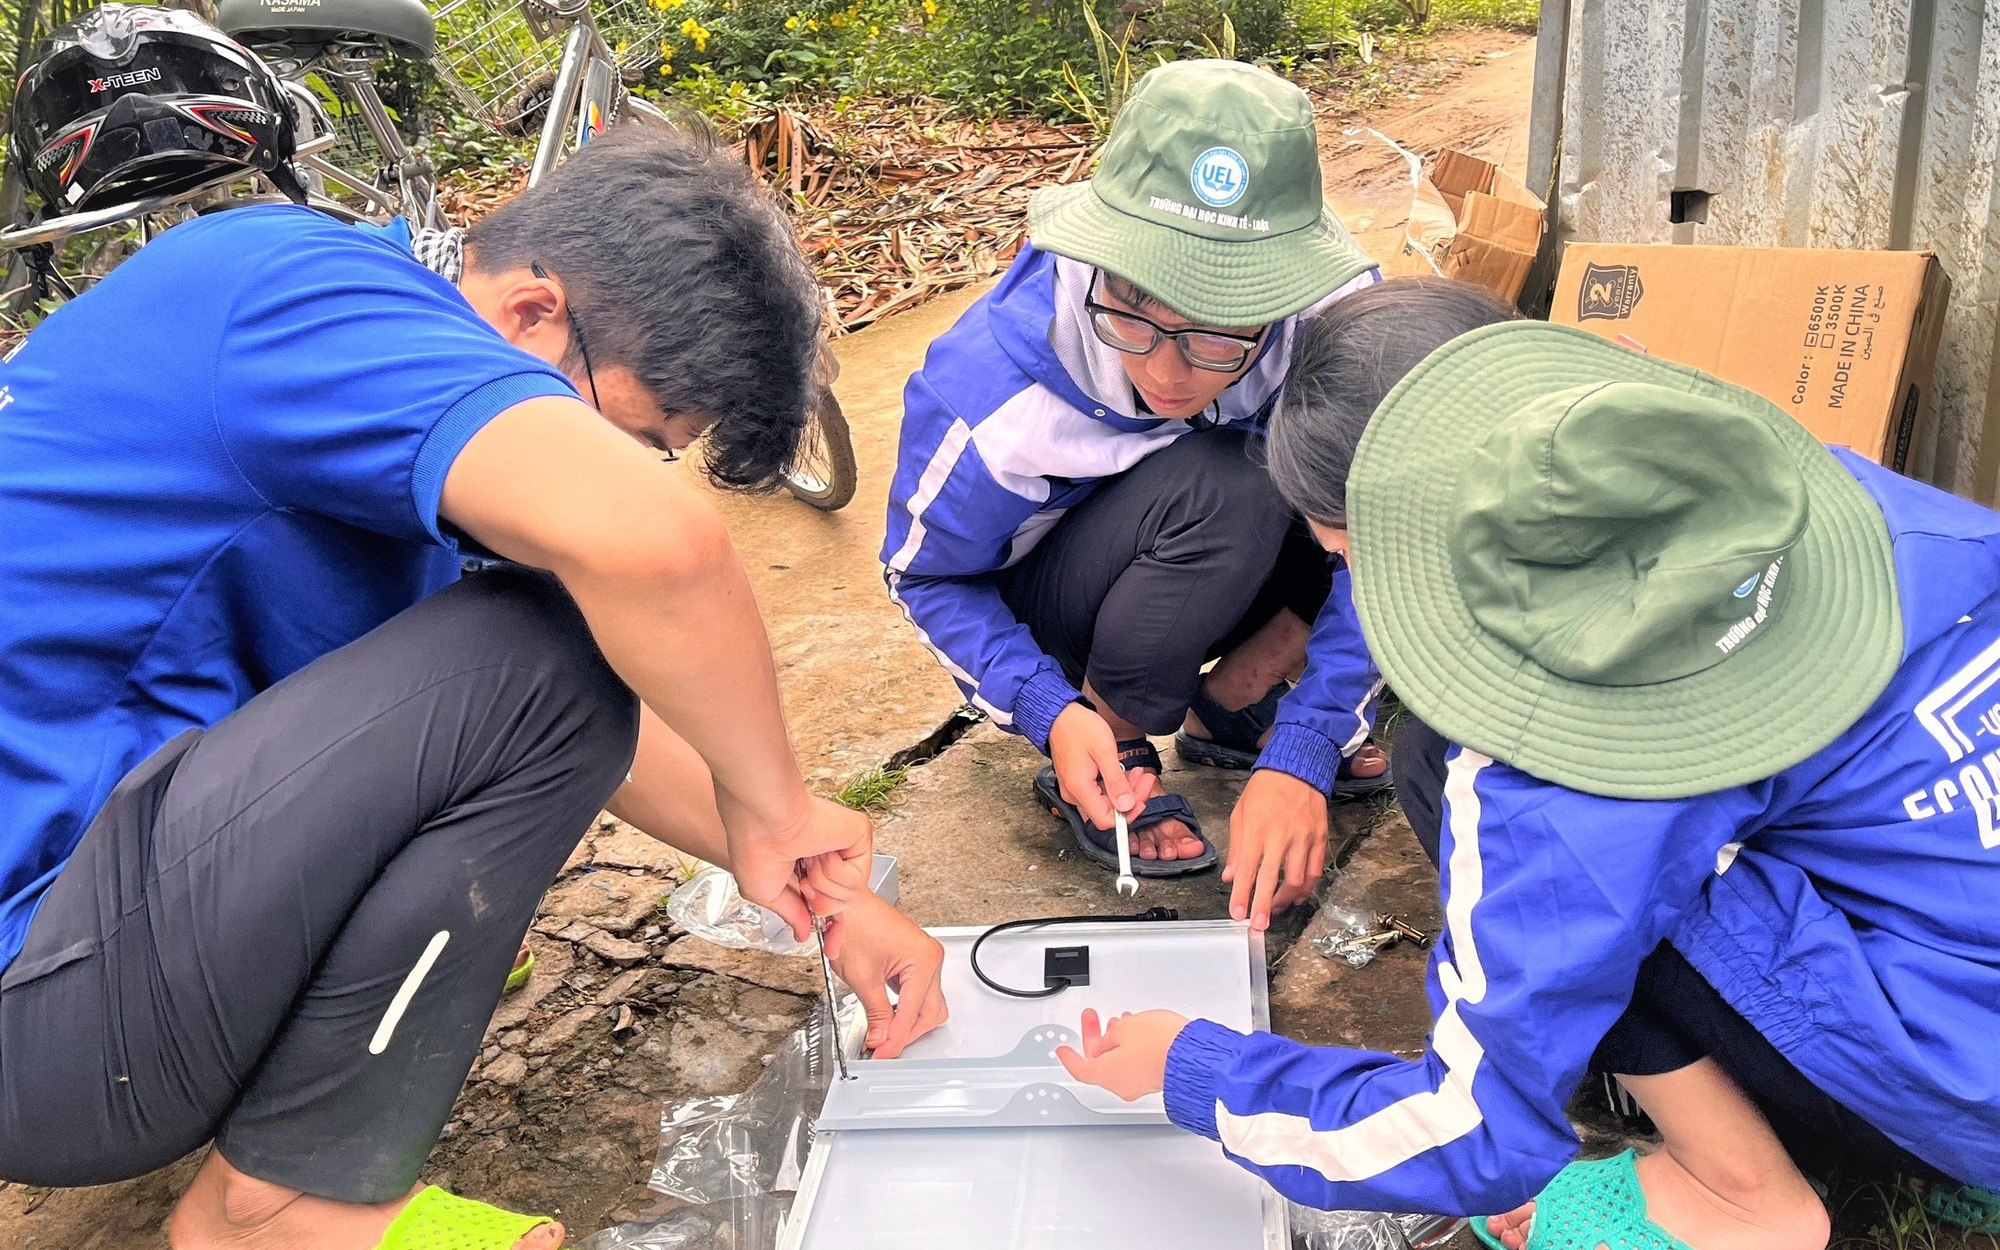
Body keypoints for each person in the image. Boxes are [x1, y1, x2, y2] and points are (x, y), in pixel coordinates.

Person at [0, 128, 948, 1250]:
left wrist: (829, 899)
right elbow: (650, 555)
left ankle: (286, 1176)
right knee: (561, 632)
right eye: (637, 437)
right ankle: (287, 1203)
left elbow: (568, 732)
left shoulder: (392, 439)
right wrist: (774, 798)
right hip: (45, 1016)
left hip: (85, 1017)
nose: (624, 467)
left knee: (555, 647)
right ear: (532, 314)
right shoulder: (288, 281)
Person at [1055, 277, 2000, 1249]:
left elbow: (1474, 1132)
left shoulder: (1547, 766)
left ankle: (1742, 1195)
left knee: (1459, 789)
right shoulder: (1823, 491)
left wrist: (1199, 1069)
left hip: (1969, 1086)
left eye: (1345, 560)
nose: (1347, 580)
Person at [884, 58, 1389, 923]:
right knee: (1226, 478)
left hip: (1222, 563)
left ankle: (1238, 705)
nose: (1166, 372)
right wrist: (1047, 705)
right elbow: (923, 575)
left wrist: (1308, 742)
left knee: (1340, 480)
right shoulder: (988, 395)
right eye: (1133, 318)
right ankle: (1112, 737)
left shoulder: (1333, 328)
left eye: (1218, 339)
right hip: (1066, 598)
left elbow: (1389, 542)